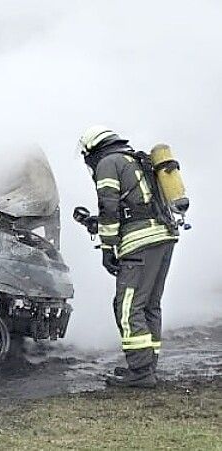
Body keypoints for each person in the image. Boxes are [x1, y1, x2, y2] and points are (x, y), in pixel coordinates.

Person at [77, 126, 178, 388]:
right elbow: (134, 208)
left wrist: (108, 248)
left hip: (139, 244)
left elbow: (109, 207)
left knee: (128, 307)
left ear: (92, 149)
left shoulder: (107, 163)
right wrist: (94, 223)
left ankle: (141, 372)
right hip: (163, 238)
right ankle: (147, 366)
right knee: (149, 306)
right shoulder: (136, 160)